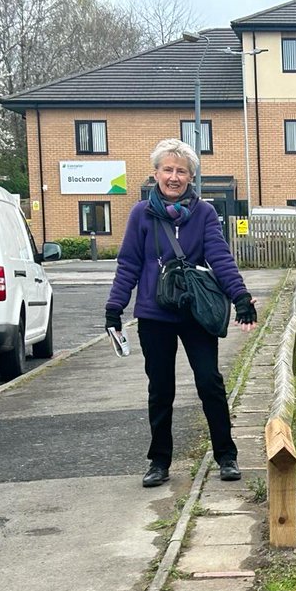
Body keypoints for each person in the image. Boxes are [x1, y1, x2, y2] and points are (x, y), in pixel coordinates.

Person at [105, 138, 257, 487]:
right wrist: (115, 308)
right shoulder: (140, 214)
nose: (174, 177)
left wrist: (241, 297)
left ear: (191, 177)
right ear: (156, 173)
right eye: (168, 169)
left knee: (209, 382)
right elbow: (128, 263)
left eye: (181, 171)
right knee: (161, 389)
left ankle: (226, 455)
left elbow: (219, 257)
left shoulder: (203, 213)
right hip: (154, 315)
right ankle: (159, 461)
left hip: (195, 312)